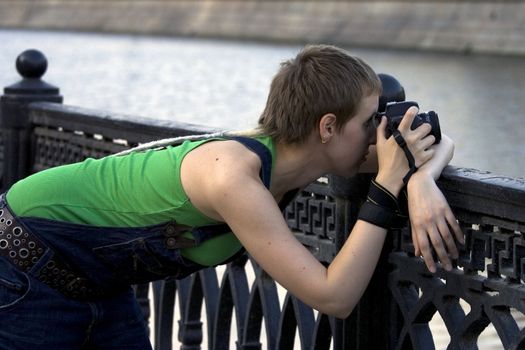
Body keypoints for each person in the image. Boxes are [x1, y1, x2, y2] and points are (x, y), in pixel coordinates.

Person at [0, 44, 462, 349]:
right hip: (24, 264)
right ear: (327, 126)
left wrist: (420, 182)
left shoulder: (299, 152)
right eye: (369, 120)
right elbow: (333, 296)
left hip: (98, 282)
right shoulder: (233, 177)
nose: (376, 133)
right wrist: (385, 190)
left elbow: (432, 139)